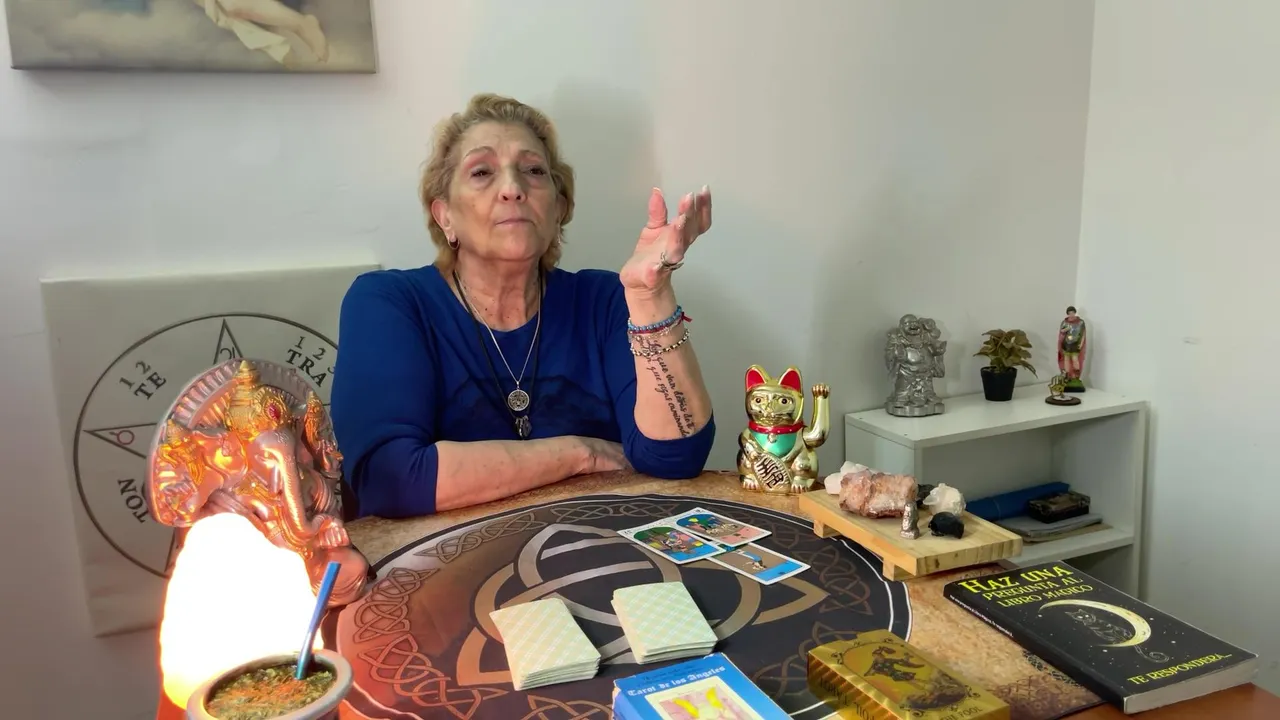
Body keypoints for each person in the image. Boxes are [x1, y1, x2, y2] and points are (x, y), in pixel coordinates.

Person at [330, 93, 717, 519]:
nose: (513, 189)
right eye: (482, 172)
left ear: (559, 208)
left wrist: (650, 295)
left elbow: (675, 457)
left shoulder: (606, 300)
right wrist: (580, 453)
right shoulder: (389, 303)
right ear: (445, 216)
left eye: (533, 171)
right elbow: (390, 480)